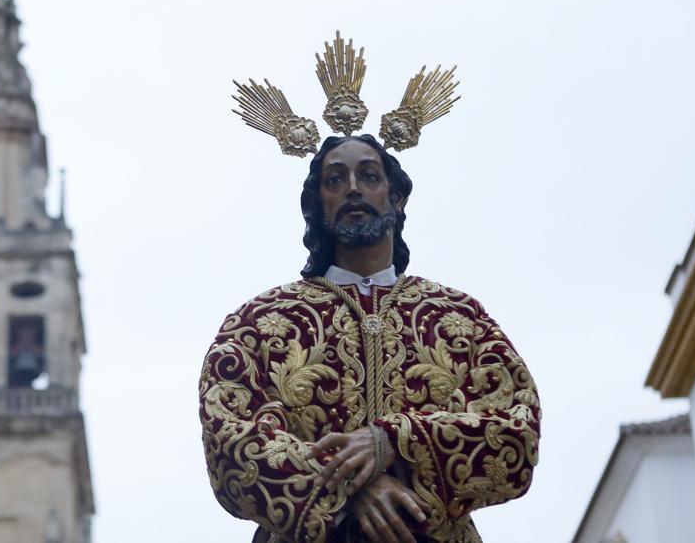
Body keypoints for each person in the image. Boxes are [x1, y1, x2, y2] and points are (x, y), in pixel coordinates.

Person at [203, 36, 540, 543]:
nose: (354, 188)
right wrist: (347, 490)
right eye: (335, 180)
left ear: (397, 196)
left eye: (369, 175)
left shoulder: (457, 317)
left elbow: (517, 428)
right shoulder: (260, 324)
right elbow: (231, 439)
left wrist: (393, 444)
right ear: (317, 204)